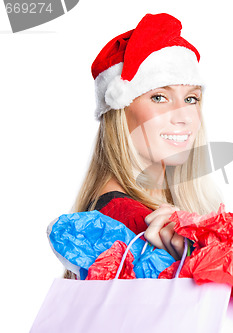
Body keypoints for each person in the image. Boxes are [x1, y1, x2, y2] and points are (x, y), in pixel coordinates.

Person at [65, 13, 222, 278]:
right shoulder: (127, 219)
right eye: (159, 97)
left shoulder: (160, 210)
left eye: (191, 99)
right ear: (119, 110)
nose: (184, 116)